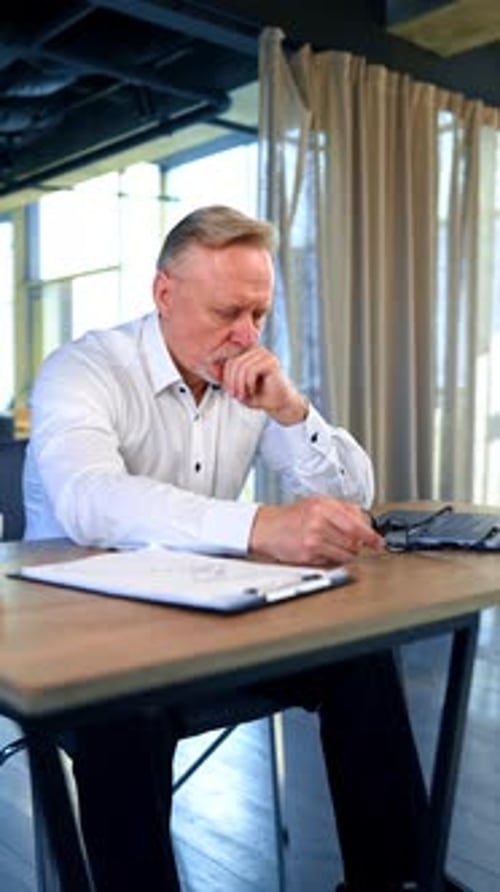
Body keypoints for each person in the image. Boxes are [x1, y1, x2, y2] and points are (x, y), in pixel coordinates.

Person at [24, 205, 430, 891]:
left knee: (358, 656)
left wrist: (292, 411)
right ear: (163, 294)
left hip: (208, 627)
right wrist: (258, 526)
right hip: (85, 644)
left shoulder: (245, 374)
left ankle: (396, 881)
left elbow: (357, 492)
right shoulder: (82, 369)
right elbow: (89, 500)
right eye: (227, 312)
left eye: (260, 315)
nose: (246, 336)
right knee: (123, 712)